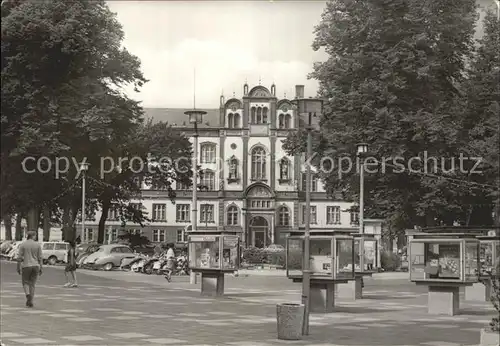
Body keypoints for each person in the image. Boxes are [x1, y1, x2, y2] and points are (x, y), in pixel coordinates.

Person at [16, 230, 43, 308]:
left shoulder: (23, 245)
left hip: (26, 266)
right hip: (35, 266)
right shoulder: (37, 245)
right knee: (32, 284)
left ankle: (28, 295)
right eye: (35, 235)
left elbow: (19, 258)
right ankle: (31, 301)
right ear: (33, 236)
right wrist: (41, 267)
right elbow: (40, 258)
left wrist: (18, 267)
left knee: (25, 282)